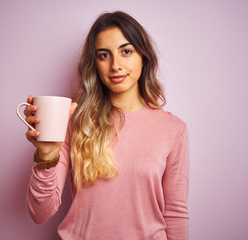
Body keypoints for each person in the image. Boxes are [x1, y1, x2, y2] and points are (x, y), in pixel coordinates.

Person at [23, 11, 189, 240]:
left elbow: (176, 214)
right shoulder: (73, 122)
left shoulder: (173, 129)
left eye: (126, 51)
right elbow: (40, 213)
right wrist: (46, 155)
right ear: (95, 64)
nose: (115, 65)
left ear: (144, 56)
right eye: (104, 55)